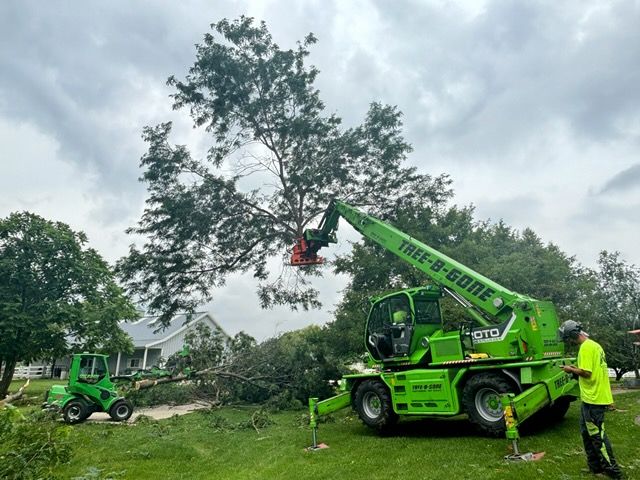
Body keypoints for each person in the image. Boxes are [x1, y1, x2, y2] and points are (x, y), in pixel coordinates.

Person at [559, 320, 624, 479]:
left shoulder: (586, 348)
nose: (570, 341)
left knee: (597, 436)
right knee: (586, 433)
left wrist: (570, 370)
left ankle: (613, 472)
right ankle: (595, 467)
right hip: (590, 397)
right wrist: (576, 369)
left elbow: (587, 373)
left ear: (573, 335)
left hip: (594, 399)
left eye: (568, 338)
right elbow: (592, 371)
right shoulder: (595, 345)